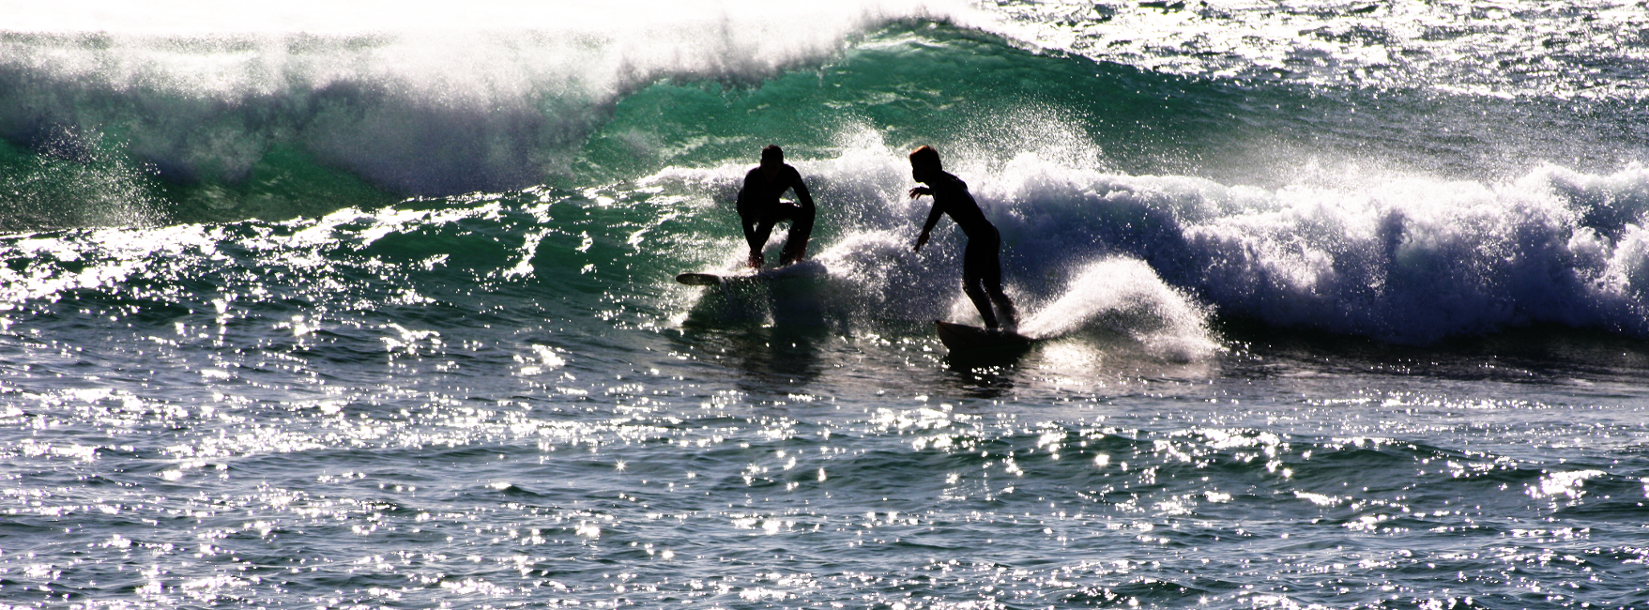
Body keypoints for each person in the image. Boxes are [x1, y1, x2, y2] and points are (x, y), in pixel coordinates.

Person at [909, 145, 1017, 331]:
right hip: (990, 232)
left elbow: (941, 201)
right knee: (991, 288)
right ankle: (1013, 322)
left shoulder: (939, 186)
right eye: (913, 167)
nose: (914, 171)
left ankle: (992, 326)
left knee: (970, 284)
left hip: (979, 237)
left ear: (931, 167)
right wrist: (930, 191)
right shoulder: (946, 180)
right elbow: (961, 186)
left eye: (918, 166)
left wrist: (926, 229)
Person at [736, 145, 815, 269]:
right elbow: (746, 218)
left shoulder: (789, 174)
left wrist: (804, 237)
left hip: (771, 204)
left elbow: (809, 206)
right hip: (748, 208)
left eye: (774, 168)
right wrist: (754, 247)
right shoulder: (752, 177)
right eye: (766, 166)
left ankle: (787, 256)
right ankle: (754, 260)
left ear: (781, 166)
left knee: (801, 213)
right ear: (761, 163)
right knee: (769, 215)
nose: (769, 171)